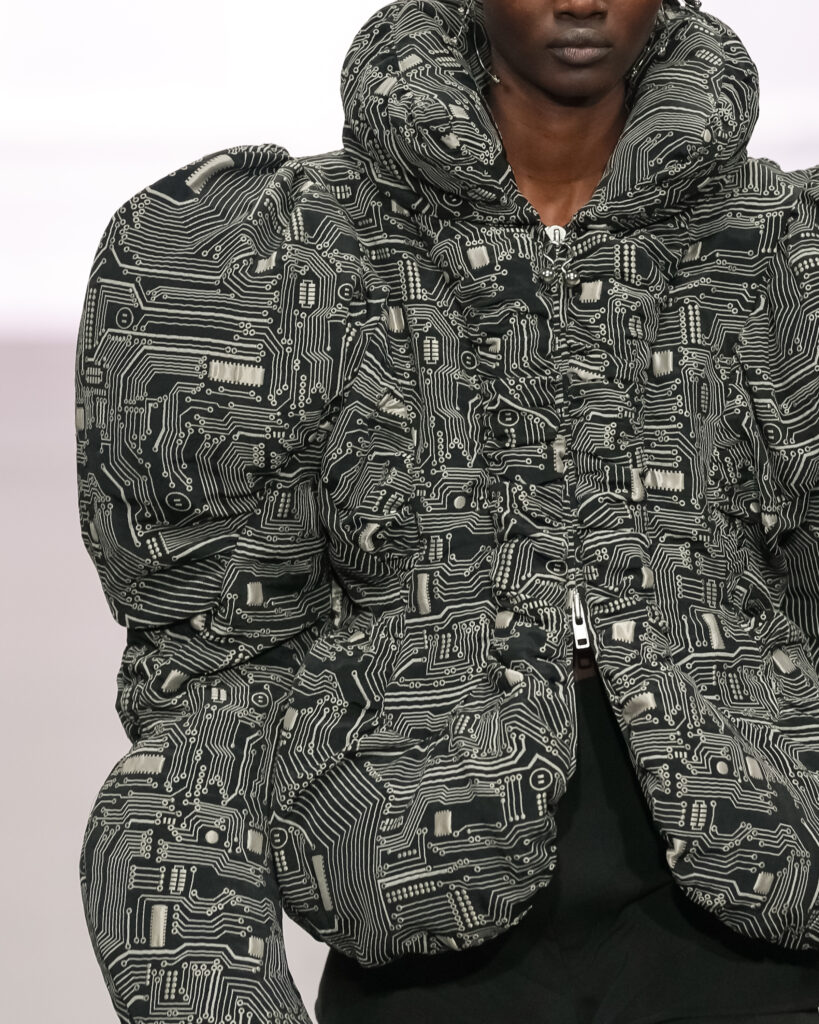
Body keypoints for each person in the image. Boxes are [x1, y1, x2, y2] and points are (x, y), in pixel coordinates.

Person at [75, 1, 819, 1022]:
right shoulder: (283, 253)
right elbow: (216, 678)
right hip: (417, 887)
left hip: (759, 893)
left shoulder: (784, 250)